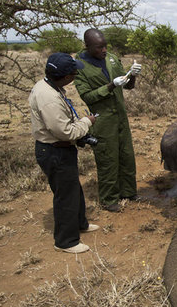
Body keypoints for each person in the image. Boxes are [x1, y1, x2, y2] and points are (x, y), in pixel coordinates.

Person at [30, 52, 100, 254]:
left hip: (60, 150)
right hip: (54, 150)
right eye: (73, 73)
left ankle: (80, 224)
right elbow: (64, 132)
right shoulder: (49, 97)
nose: (75, 76)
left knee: (72, 189)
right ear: (65, 76)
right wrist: (87, 122)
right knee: (65, 195)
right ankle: (66, 241)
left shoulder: (50, 86)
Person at [74, 28, 142, 212]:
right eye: (99, 47)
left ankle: (128, 191)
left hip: (120, 116)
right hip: (102, 120)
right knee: (108, 158)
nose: (103, 50)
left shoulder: (111, 59)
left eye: (105, 46)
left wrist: (132, 75)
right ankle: (109, 198)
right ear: (87, 46)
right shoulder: (79, 66)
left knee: (126, 155)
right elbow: (87, 96)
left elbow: (128, 86)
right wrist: (111, 85)